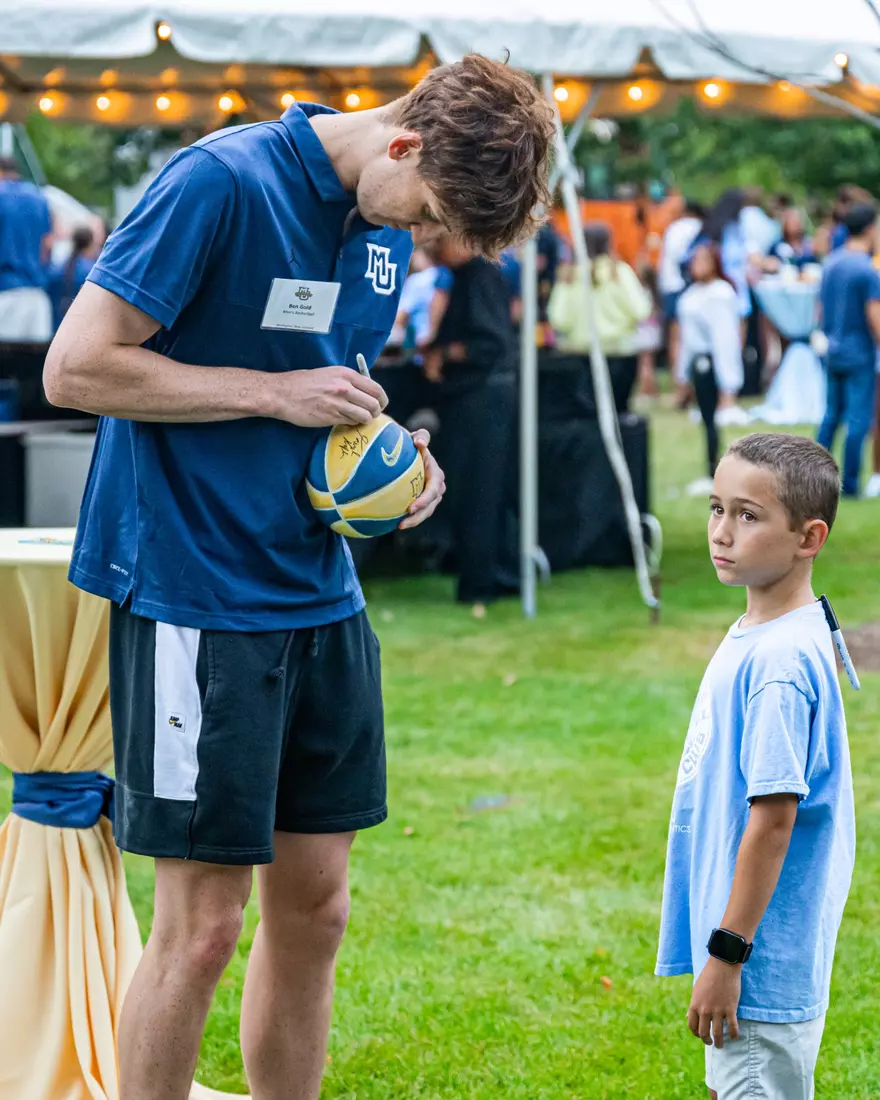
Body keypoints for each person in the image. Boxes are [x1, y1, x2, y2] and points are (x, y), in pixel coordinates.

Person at [44, 55, 553, 1100]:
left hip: (320, 591)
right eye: (427, 213)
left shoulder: (381, 228)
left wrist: (397, 456)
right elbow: (77, 366)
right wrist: (270, 394)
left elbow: (331, 387)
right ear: (403, 143)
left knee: (317, 909)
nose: (419, 238)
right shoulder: (217, 182)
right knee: (201, 927)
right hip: (194, 589)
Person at [656, 432, 854, 1100]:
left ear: (809, 537)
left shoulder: (778, 667)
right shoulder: (769, 630)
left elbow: (774, 822)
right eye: (716, 508)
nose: (721, 531)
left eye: (748, 515)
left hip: (759, 963)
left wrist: (728, 953)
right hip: (754, 950)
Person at [422, 236, 517, 612]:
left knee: (480, 491)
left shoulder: (479, 278)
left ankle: (481, 581)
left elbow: (490, 343)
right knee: (476, 491)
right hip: (473, 397)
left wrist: (441, 354)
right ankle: (486, 574)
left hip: (483, 398)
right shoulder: (462, 278)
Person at [548, 222, 652, 414]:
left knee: (585, 416)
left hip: (578, 355)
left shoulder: (569, 276)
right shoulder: (619, 273)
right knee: (618, 414)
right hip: (619, 354)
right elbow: (641, 310)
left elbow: (558, 318)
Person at [816, 202, 880, 498]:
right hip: (859, 352)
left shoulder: (831, 262)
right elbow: (874, 315)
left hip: (833, 349)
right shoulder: (867, 269)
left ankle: (812, 476)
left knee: (831, 416)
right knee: (858, 420)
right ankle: (851, 484)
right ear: (869, 229)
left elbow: (819, 308)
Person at [676, 244, 745, 494]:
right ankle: (712, 468)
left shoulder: (720, 294)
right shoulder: (691, 295)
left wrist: (729, 383)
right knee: (705, 419)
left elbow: (725, 339)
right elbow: (685, 338)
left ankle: (717, 470)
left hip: (712, 360)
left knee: (712, 420)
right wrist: (681, 375)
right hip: (697, 361)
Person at [0, 155, 53, 342]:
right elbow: (47, 245)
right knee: (33, 368)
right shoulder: (39, 198)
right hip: (37, 298)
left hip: (5, 293)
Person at [658, 196, 704, 389]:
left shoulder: (673, 228)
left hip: (671, 288)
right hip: (688, 287)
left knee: (675, 338)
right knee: (692, 337)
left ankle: (679, 386)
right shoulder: (698, 228)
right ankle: (691, 386)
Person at [47, 225, 95, 331]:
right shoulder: (92, 274)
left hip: (56, 329)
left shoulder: (57, 268)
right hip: (81, 330)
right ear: (91, 244)